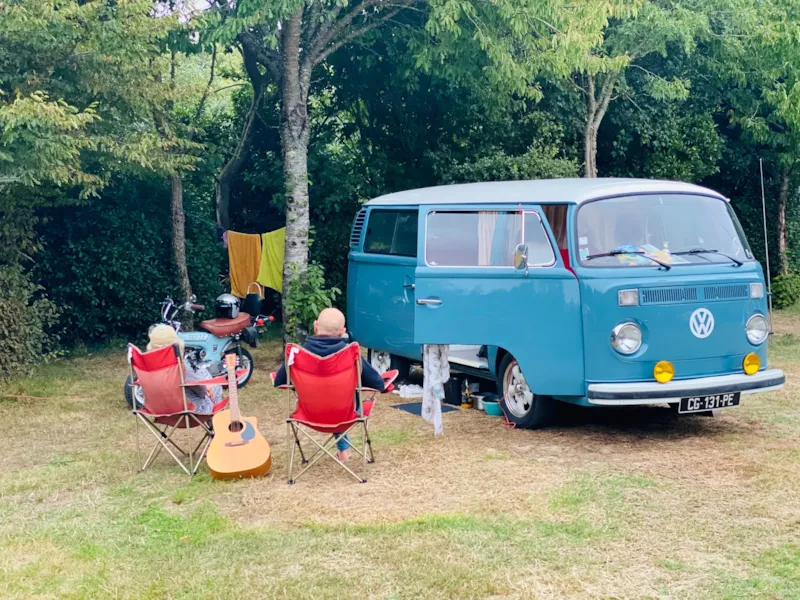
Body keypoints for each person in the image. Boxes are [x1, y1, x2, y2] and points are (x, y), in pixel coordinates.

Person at [273, 307, 387, 462]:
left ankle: (343, 450)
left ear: (315, 326)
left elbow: (279, 381)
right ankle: (344, 451)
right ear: (343, 332)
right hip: (345, 414)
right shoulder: (350, 353)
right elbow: (378, 384)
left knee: (329, 398)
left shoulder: (298, 354)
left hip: (309, 414)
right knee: (343, 399)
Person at [147, 324, 221, 414]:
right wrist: (206, 388)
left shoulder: (148, 368)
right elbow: (201, 392)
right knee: (216, 386)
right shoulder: (182, 368)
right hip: (189, 411)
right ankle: (216, 422)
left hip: (160, 409)